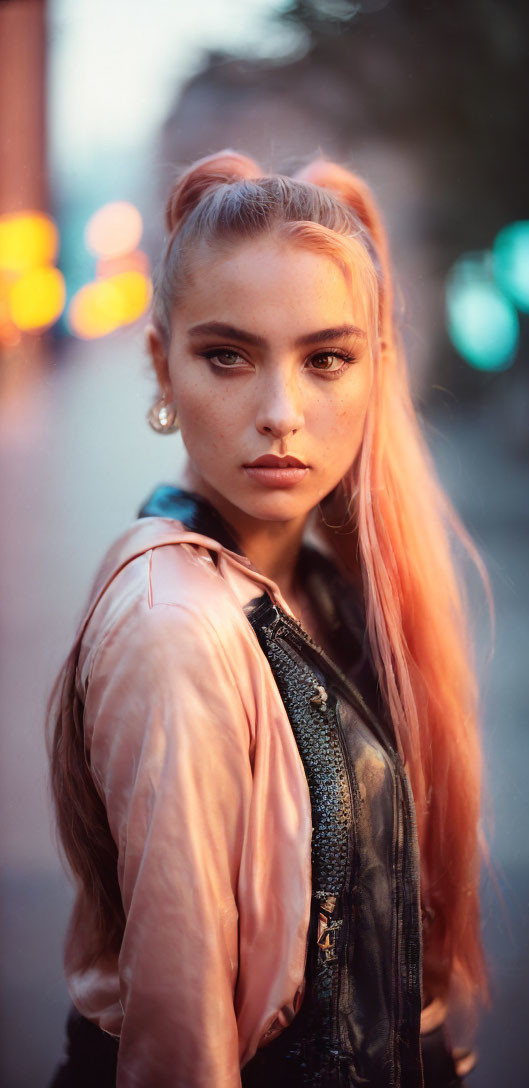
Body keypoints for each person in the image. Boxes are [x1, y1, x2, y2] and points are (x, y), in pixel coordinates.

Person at [47, 150, 491, 1087]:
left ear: (374, 370)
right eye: (228, 356)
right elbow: (180, 1052)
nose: (282, 413)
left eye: (326, 358)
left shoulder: (323, 588)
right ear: (161, 364)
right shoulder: (177, 629)